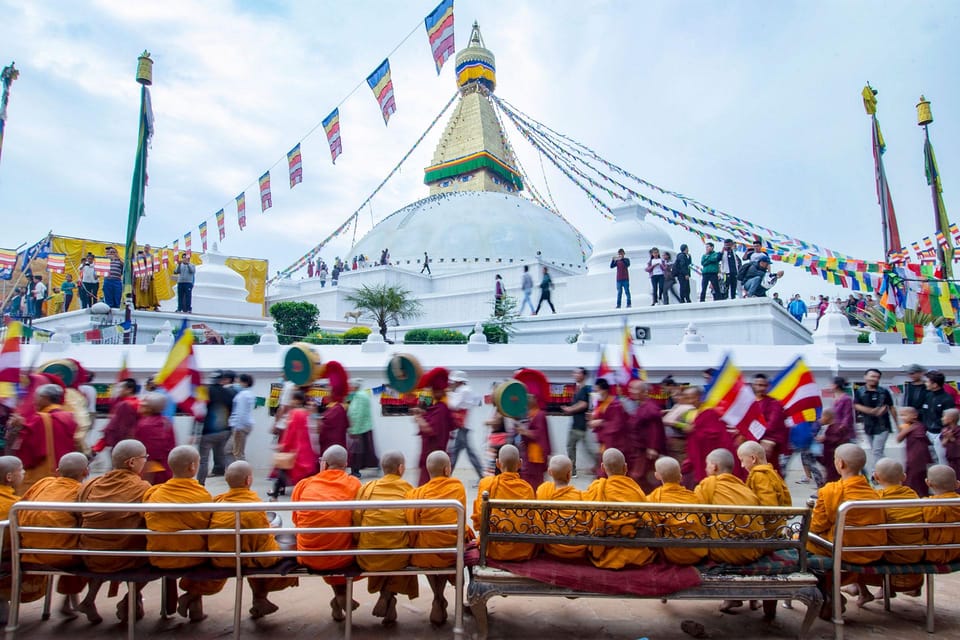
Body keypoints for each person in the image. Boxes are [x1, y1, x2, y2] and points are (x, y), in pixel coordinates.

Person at [71, 440, 151, 623]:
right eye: (144, 458)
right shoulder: (142, 488)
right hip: (124, 559)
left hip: (90, 555)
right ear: (131, 463)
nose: (145, 461)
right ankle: (131, 599)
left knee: (104, 542)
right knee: (151, 554)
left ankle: (89, 599)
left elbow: (77, 513)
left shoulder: (92, 484)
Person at [144, 446, 226, 622]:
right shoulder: (201, 496)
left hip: (158, 556)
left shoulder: (155, 494)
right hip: (192, 559)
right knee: (220, 555)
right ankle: (192, 595)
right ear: (192, 467)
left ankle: (194, 605)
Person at [292, 445, 362, 622]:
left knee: (330, 539)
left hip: (308, 555)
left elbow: (296, 520)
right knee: (345, 542)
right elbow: (359, 520)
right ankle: (341, 597)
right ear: (345, 465)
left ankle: (339, 598)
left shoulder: (303, 485)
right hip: (342, 557)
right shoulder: (355, 485)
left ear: (324, 464)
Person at [406, 450, 473, 626]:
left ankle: (438, 598)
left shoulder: (418, 493)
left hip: (426, 551)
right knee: (459, 537)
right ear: (446, 470)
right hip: (451, 550)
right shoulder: (457, 487)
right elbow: (461, 520)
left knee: (427, 543)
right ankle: (439, 597)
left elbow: (412, 526)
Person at [845, 458, 925, 605]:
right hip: (916, 554)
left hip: (888, 557)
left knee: (856, 546)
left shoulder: (877, 499)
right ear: (904, 477)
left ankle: (861, 589)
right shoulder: (913, 496)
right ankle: (884, 588)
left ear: (875, 477)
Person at [18, 452, 90, 613]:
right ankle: (76, 599)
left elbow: (21, 506)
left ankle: (70, 600)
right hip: (63, 557)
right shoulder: (84, 491)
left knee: (70, 539)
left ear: (57, 471)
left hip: (29, 552)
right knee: (92, 551)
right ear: (86, 472)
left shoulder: (42, 483)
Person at [353, 451, 418, 626]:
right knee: (402, 548)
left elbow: (357, 524)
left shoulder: (367, 488)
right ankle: (388, 595)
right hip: (398, 557)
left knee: (375, 543)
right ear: (401, 468)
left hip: (369, 557)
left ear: (383, 468)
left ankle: (386, 596)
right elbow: (414, 528)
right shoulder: (409, 490)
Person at [807, 443, 886, 566]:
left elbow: (816, 526)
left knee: (800, 537)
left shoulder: (830, 491)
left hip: (842, 550)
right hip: (872, 551)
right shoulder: (874, 493)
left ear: (840, 463)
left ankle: (829, 584)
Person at [583, 448, 655, 569]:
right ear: (625, 467)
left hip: (604, 550)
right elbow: (648, 517)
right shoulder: (634, 488)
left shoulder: (597, 488)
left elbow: (588, 518)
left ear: (602, 467)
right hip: (635, 553)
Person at [693, 449, 764, 570]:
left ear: (714, 467)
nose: (705, 468)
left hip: (722, 551)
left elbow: (696, 516)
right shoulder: (745, 489)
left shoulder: (707, 485)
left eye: (707, 465)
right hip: (752, 550)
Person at [8, 384, 78, 493]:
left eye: (37, 398)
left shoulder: (39, 419)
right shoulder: (69, 417)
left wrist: (16, 429)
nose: (35, 402)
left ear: (46, 398)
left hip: (42, 474)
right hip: (63, 471)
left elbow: (26, 450)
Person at [472, 445, 536, 560]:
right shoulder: (527, 488)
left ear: (497, 463)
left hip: (494, 548)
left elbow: (480, 520)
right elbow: (533, 520)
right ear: (520, 463)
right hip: (523, 549)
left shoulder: (487, 484)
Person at [646, 457, 707, 565]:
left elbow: (653, 527)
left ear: (657, 476)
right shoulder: (693, 497)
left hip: (673, 555)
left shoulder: (653, 498)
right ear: (680, 476)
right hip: (699, 552)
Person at [682, 387, 739, 487]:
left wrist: (694, 432)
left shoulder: (710, 412)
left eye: (692, 398)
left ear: (699, 397)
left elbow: (715, 432)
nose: (690, 401)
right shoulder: (694, 412)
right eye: (687, 398)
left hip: (711, 451)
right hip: (701, 451)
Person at [534, 455, 586, 560]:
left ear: (549, 472)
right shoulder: (581, 496)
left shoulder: (543, 490)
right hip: (578, 548)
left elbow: (538, 521)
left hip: (553, 547)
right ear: (569, 475)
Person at [738, 440, 791, 537]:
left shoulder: (760, 475)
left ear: (753, 458)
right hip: (776, 528)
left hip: (766, 532)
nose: (742, 465)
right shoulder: (771, 472)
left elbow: (768, 507)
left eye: (742, 460)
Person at [270, 390, 316, 498]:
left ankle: (275, 493)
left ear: (297, 400)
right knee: (305, 473)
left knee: (283, 470)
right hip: (305, 448)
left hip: (294, 447)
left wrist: (284, 445)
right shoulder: (306, 413)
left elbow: (291, 432)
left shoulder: (294, 413)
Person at [413, 369, 455, 485]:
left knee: (430, 488)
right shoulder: (440, 407)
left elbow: (429, 430)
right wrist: (420, 412)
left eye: (431, 389)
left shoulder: (441, 409)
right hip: (434, 457)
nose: (430, 392)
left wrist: (418, 417)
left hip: (433, 459)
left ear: (437, 391)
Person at [625, 380, 666, 491]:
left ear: (644, 392)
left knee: (640, 476)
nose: (631, 391)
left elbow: (655, 429)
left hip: (646, 450)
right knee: (641, 476)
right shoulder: (641, 406)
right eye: (630, 388)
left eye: (634, 389)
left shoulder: (650, 408)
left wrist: (653, 447)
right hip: (638, 449)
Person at [197, 370, 235, 485]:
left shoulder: (204, 391)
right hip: (225, 431)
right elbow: (232, 411)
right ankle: (234, 482)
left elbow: (199, 411)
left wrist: (194, 432)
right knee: (225, 457)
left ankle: (200, 484)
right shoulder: (230, 393)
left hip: (208, 432)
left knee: (203, 460)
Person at [446, 371, 484, 480]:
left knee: (464, 453)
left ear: (459, 381)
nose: (451, 384)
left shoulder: (464, 391)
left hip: (463, 428)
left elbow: (453, 405)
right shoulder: (464, 390)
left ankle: (482, 477)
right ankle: (447, 476)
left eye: (453, 382)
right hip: (463, 427)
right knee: (455, 453)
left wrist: (447, 394)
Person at [854, 368, 894, 470]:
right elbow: (856, 405)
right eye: (872, 376)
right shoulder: (860, 391)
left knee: (877, 451)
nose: (875, 379)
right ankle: (888, 468)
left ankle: (875, 473)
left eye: (877, 377)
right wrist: (871, 411)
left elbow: (891, 407)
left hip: (883, 426)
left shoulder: (884, 392)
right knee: (876, 451)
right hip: (868, 425)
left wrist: (898, 424)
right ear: (865, 377)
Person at [750, 373, 790, 475]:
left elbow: (773, 424)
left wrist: (769, 440)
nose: (760, 388)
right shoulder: (748, 402)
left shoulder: (774, 403)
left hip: (766, 442)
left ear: (767, 386)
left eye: (763, 385)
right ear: (753, 385)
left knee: (769, 473)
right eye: (758, 385)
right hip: (749, 442)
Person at [133, 392, 176, 484]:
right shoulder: (166, 422)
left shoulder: (145, 425)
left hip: (151, 469)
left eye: (143, 405)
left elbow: (149, 452)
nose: (139, 406)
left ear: (149, 408)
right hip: (166, 467)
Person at [561, 367, 596, 477]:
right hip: (576, 424)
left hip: (580, 425)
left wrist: (570, 409)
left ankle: (601, 465)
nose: (574, 374)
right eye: (574, 372)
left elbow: (584, 404)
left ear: (583, 375)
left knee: (575, 447)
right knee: (573, 446)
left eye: (577, 373)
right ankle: (574, 470)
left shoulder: (585, 389)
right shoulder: (578, 389)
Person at [923, 465, 960, 564]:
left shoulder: (926, 505)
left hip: (936, 554)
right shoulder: (958, 503)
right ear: (957, 484)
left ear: (928, 483)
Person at [588, 378, 630, 465]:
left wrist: (601, 422)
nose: (596, 393)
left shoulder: (615, 404)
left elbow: (617, 424)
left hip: (615, 441)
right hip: (604, 440)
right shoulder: (601, 403)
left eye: (598, 390)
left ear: (605, 390)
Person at [894, 406, 932, 496]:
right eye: (901, 416)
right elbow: (899, 439)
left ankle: (920, 496)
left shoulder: (918, 426)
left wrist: (907, 429)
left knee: (916, 478)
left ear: (914, 415)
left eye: (905, 415)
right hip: (911, 457)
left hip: (917, 458)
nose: (902, 418)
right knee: (912, 478)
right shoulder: (910, 427)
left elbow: (900, 437)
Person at [517, 394, 551, 491]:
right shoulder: (529, 415)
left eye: (530, 398)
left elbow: (539, 434)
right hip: (529, 453)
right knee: (528, 479)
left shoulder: (540, 415)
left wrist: (525, 432)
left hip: (537, 454)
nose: (527, 401)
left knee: (536, 480)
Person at [922, 370, 955, 465]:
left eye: (927, 381)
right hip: (928, 433)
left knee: (942, 460)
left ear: (935, 384)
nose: (926, 384)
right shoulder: (928, 396)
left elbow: (950, 419)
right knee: (931, 460)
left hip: (940, 434)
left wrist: (945, 434)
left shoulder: (947, 399)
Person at [346, 378, 377, 477]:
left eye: (351, 385)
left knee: (357, 452)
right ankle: (375, 465)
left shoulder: (360, 396)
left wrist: (354, 430)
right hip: (363, 428)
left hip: (360, 429)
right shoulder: (360, 395)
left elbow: (358, 414)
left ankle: (355, 472)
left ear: (355, 386)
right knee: (365, 451)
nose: (349, 387)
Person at [100, 378, 139, 450]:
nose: (118, 390)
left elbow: (118, 427)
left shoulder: (125, 405)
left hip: (123, 442)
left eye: (120, 387)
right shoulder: (137, 402)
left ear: (129, 389)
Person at [228, 373, 256, 462]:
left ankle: (243, 473)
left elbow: (241, 412)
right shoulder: (248, 394)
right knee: (234, 450)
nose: (237, 383)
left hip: (240, 425)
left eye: (239, 381)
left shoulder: (243, 395)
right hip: (245, 424)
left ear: (245, 382)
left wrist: (237, 427)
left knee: (238, 453)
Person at [941, 408, 960, 477]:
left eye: (944, 416)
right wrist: (946, 437)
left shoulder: (958, 430)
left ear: (951, 419)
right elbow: (943, 444)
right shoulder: (946, 430)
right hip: (950, 459)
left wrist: (951, 438)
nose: (942, 419)